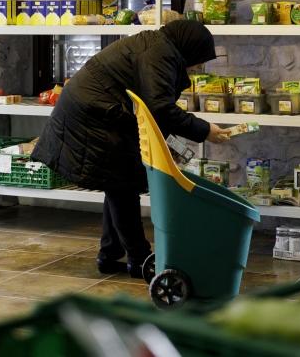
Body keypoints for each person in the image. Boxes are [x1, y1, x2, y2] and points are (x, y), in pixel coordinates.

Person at [31, 19, 234, 277]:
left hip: (101, 110)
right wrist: (204, 130)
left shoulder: (159, 46)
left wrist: (172, 139)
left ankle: (110, 253)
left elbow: (153, 106)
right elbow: (160, 108)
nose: (198, 67)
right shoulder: (159, 53)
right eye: (199, 60)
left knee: (117, 182)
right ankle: (139, 259)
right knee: (122, 184)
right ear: (190, 48)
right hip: (93, 114)